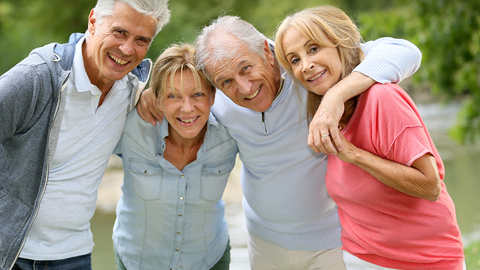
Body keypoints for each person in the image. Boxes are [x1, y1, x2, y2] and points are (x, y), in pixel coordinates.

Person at [137, 15, 421, 270]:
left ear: (266, 50)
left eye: (247, 68)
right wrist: (149, 92)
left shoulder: (306, 74)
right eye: (226, 82)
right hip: (264, 244)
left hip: (333, 241)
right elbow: (182, 93)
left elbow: (405, 51)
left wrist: (334, 97)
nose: (245, 89)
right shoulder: (216, 100)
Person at [275, 5, 464, 269]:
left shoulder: (381, 98)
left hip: (422, 261)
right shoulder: (324, 113)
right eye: (295, 60)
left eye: (313, 48)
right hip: (358, 258)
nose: (306, 65)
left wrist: (352, 154)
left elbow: (430, 186)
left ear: (341, 44)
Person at [0, 0, 170, 269]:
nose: (127, 49)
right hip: (10, 256)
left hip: (74, 256)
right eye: (119, 32)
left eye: (141, 39)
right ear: (93, 21)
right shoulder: (37, 78)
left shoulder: (132, 89)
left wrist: (148, 95)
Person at [112, 43, 238, 270]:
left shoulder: (232, 133)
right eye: (173, 96)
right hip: (138, 262)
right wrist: (139, 91)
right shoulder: (129, 126)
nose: (187, 108)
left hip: (209, 259)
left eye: (197, 94)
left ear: (213, 95)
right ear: (157, 98)